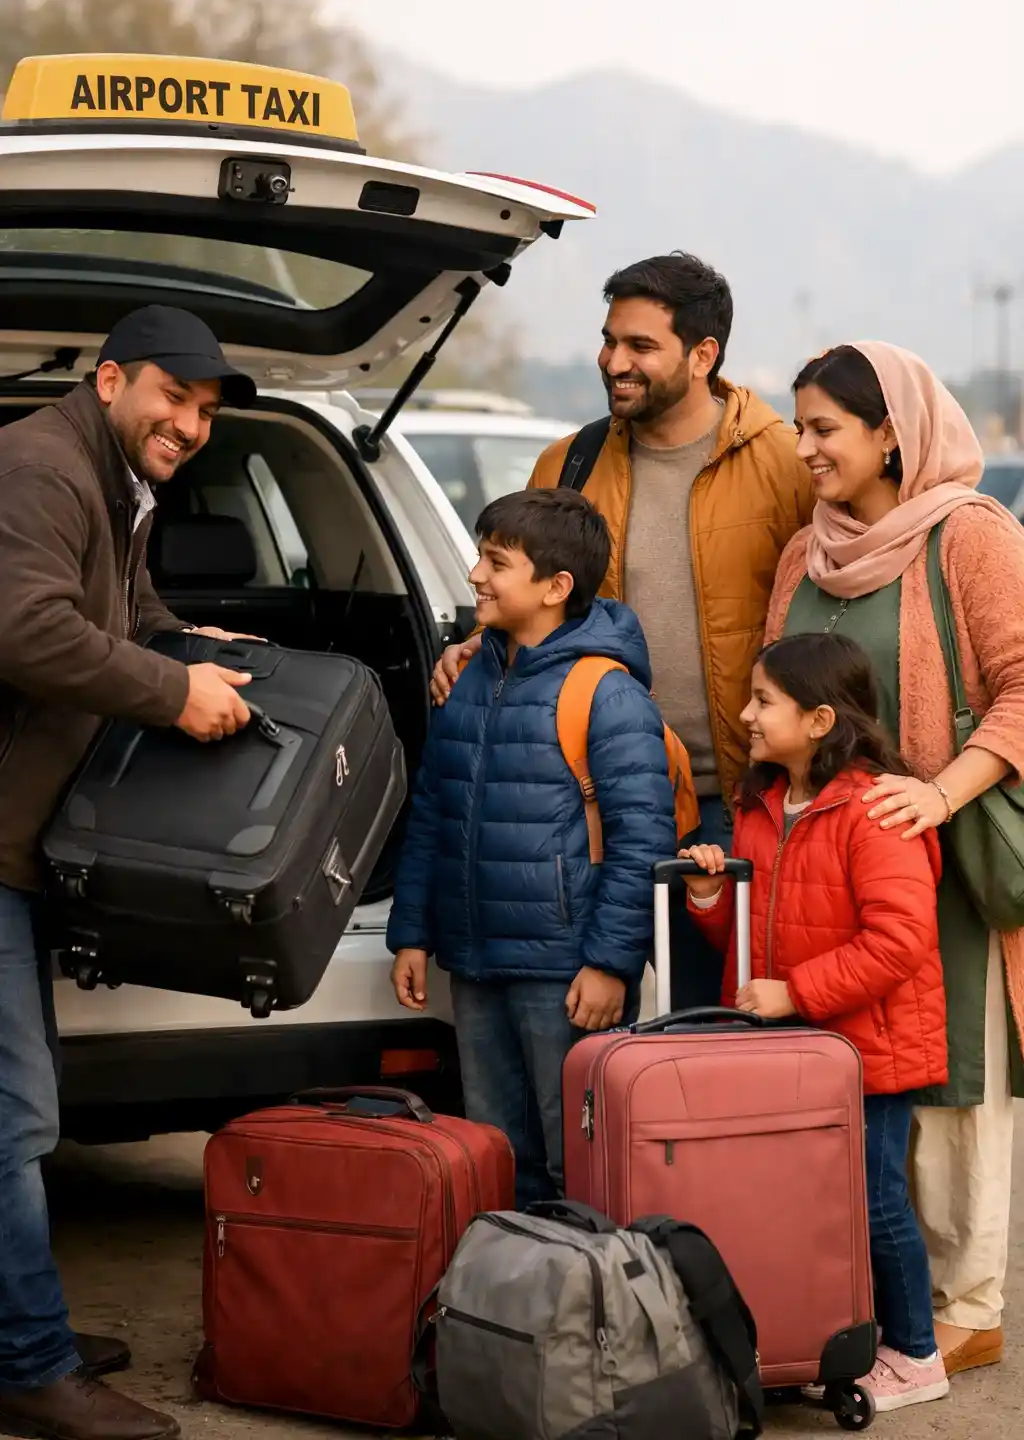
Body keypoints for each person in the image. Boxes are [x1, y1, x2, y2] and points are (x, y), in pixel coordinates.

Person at [0, 305, 260, 1440]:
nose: (191, 425)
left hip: (21, 841)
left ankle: (17, 1328)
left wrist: (190, 646)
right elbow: (26, 630)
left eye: (206, 411)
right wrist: (170, 693)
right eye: (175, 397)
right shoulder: (41, 469)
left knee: (22, 1103)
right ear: (110, 381)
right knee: (11, 1117)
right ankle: (29, 1363)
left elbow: (124, 611)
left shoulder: (118, 484)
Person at [431, 252, 814, 1005]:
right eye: (609, 340)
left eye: (640, 345)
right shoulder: (567, 463)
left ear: (703, 355)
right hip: (588, 805)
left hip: (737, 805)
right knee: (592, 1024)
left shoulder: (784, 463)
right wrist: (483, 646)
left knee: (716, 1028)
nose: (613, 362)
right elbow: (536, 603)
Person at [766, 341, 1024, 1378]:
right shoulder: (805, 549)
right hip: (833, 866)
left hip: (946, 856)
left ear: (890, 434)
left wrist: (938, 792)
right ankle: (885, 1297)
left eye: (824, 428)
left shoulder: (970, 534)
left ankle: (968, 1304)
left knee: (953, 1079)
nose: (804, 448)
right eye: (799, 427)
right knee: (863, 1085)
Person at [387, 488, 677, 1206]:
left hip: (565, 974)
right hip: (476, 963)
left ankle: (584, 1278)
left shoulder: (606, 692)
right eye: (479, 557)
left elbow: (643, 839)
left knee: (577, 1161)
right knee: (494, 1157)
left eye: (496, 562)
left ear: (555, 587)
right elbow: (433, 811)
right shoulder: (467, 677)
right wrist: (413, 933)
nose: (475, 575)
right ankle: (512, 1276)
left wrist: (610, 963)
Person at [683, 632, 949, 1412]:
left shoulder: (873, 809)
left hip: (866, 1050)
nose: (746, 714)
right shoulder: (762, 803)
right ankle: (826, 1335)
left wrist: (795, 994)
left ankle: (917, 1353)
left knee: (873, 1200)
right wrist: (709, 898)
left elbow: (899, 940)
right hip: (790, 1049)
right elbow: (751, 935)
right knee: (802, 1201)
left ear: (821, 718)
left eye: (764, 700)